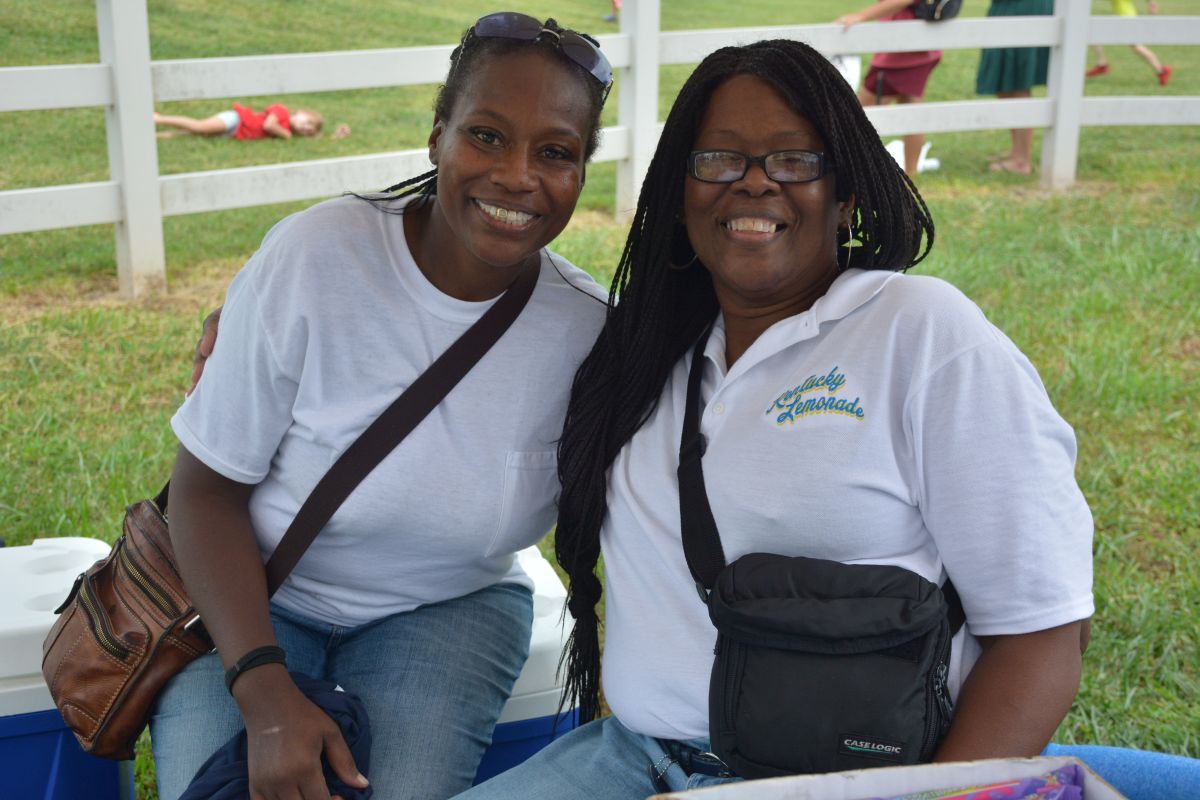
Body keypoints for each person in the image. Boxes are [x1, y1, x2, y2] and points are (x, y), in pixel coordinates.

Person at [453, 38, 1094, 799]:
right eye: (719, 159)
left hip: (845, 785)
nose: (754, 182)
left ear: (846, 197)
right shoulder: (642, 353)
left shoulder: (921, 335)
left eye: (794, 160)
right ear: (681, 194)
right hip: (633, 758)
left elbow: (1043, 634)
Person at [153, 12, 612, 800]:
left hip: (449, 608)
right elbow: (204, 494)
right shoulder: (315, 258)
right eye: (487, 136)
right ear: (437, 138)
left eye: (555, 152)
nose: (517, 176)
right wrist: (263, 694)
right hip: (255, 590)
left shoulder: (590, 330)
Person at [835, 0, 942, 177]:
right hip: (913, 42)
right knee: (910, 107)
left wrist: (860, 16)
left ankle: (850, 169)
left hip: (903, 50)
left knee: (859, 113)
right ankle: (910, 172)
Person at [975, 0, 1054, 175]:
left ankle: (1021, 160)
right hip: (1008, 8)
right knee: (1005, 82)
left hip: (1022, 8)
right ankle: (1016, 149)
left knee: (1018, 82)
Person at [1086, 0, 1172, 86]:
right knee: (1094, 33)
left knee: (1138, 47)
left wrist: (1151, 2)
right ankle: (1101, 65)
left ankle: (1162, 70)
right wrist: (1150, 2)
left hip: (1128, 21)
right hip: (1123, 20)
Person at [153, 103, 350, 139]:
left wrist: (336, 136)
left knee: (191, 135)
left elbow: (315, 144)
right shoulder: (282, 112)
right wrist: (285, 134)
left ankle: (158, 136)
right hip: (235, 120)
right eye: (307, 122)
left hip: (236, 132)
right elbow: (268, 125)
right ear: (300, 112)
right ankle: (158, 118)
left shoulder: (287, 131)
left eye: (307, 130)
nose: (304, 128)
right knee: (199, 126)